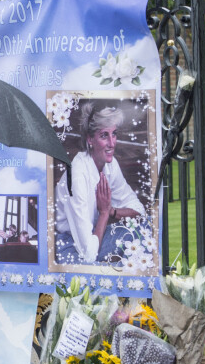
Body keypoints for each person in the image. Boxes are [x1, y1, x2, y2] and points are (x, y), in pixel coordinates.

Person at [55, 102, 145, 265]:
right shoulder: (78, 175)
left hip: (92, 239)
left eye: (114, 134)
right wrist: (104, 213)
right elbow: (88, 254)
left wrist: (111, 211)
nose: (112, 143)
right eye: (104, 135)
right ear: (90, 139)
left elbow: (139, 210)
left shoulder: (110, 164)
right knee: (96, 268)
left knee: (142, 231)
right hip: (67, 245)